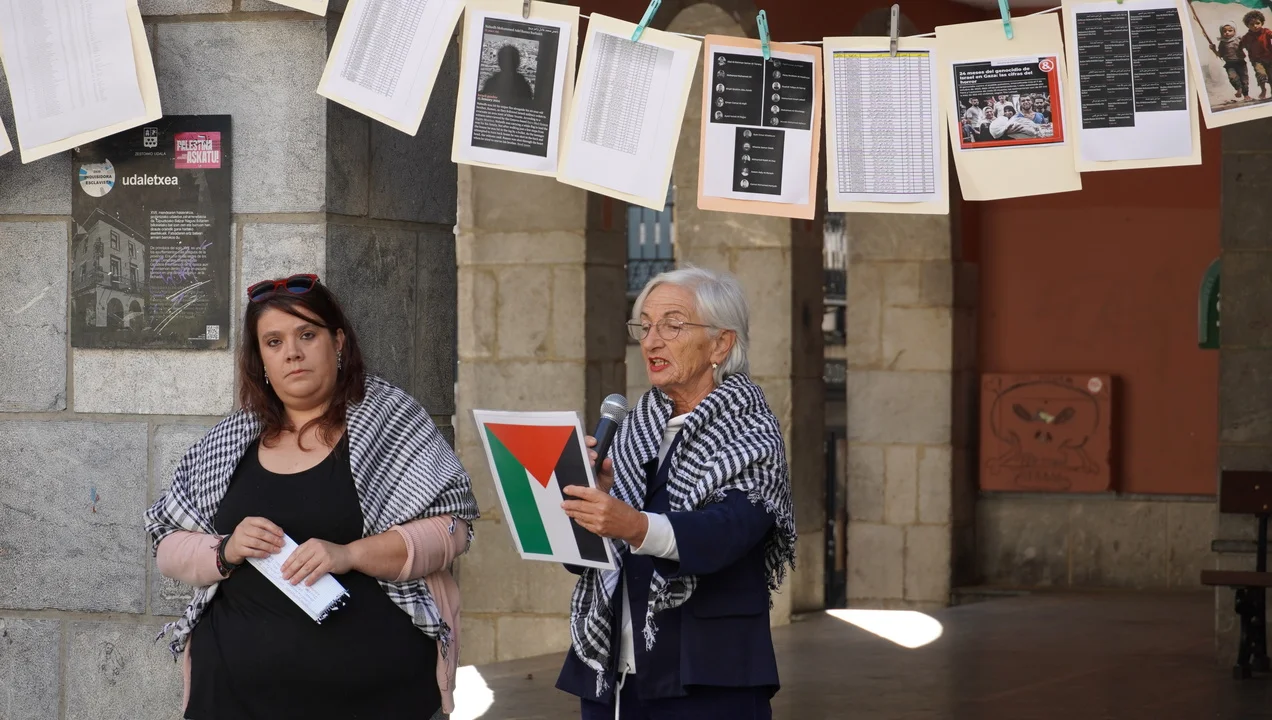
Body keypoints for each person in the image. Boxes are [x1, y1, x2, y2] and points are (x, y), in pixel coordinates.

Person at [145, 274, 479, 720]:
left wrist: (350, 554)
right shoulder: (230, 441)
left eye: (307, 335)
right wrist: (226, 549)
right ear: (261, 358)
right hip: (230, 697)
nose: (292, 353)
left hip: (374, 699)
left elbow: (451, 531)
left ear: (337, 342)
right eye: (274, 342)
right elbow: (167, 544)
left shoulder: (390, 422)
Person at [555, 266, 797, 720]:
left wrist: (633, 524)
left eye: (672, 325)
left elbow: (726, 532)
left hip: (708, 677)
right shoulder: (632, 429)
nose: (651, 341)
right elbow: (582, 561)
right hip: (613, 678)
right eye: (645, 326)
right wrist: (588, 499)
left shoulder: (751, 432)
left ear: (721, 344)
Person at [1211, 23, 1252, 101]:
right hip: (1230, 64)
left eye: (1230, 30)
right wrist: (1213, 49)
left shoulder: (1238, 39)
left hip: (1241, 62)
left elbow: (1247, 46)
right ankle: (1239, 89)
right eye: (1224, 31)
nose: (1227, 32)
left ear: (1234, 31)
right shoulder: (1222, 43)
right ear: (1221, 33)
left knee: (1244, 79)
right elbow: (1220, 54)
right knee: (1232, 77)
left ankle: (1246, 95)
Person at [1243, 10, 1272, 99]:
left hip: (1269, 58)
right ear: (1247, 25)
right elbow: (1238, 46)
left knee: (1271, 76)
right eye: (1252, 24)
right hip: (1256, 60)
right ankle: (1263, 90)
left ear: (1262, 23)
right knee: (1261, 74)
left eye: (1257, 23)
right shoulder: (1246, 37)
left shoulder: (1266, 32)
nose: (1255, 26)